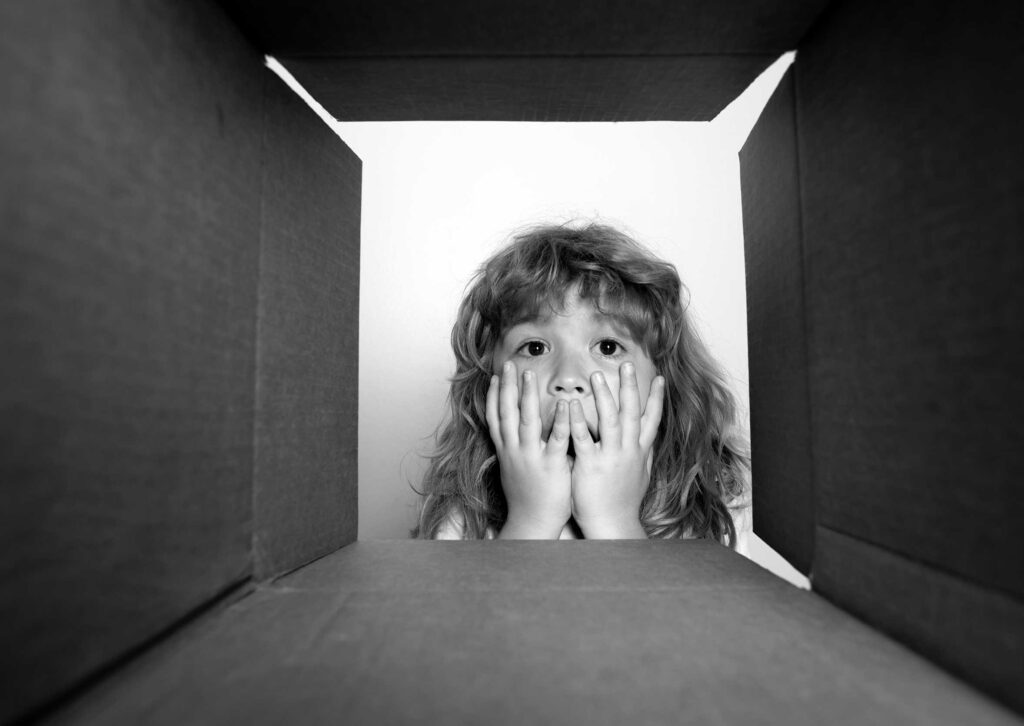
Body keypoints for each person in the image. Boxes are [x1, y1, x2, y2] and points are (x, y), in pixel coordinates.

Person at [412, 222, 750, 550]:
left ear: (665, 377)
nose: (569, 379)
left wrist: (614, 522)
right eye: (535, 348)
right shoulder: (463, 509)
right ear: (489, 382)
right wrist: (531, 521)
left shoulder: (714, 496)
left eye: (608, 347)